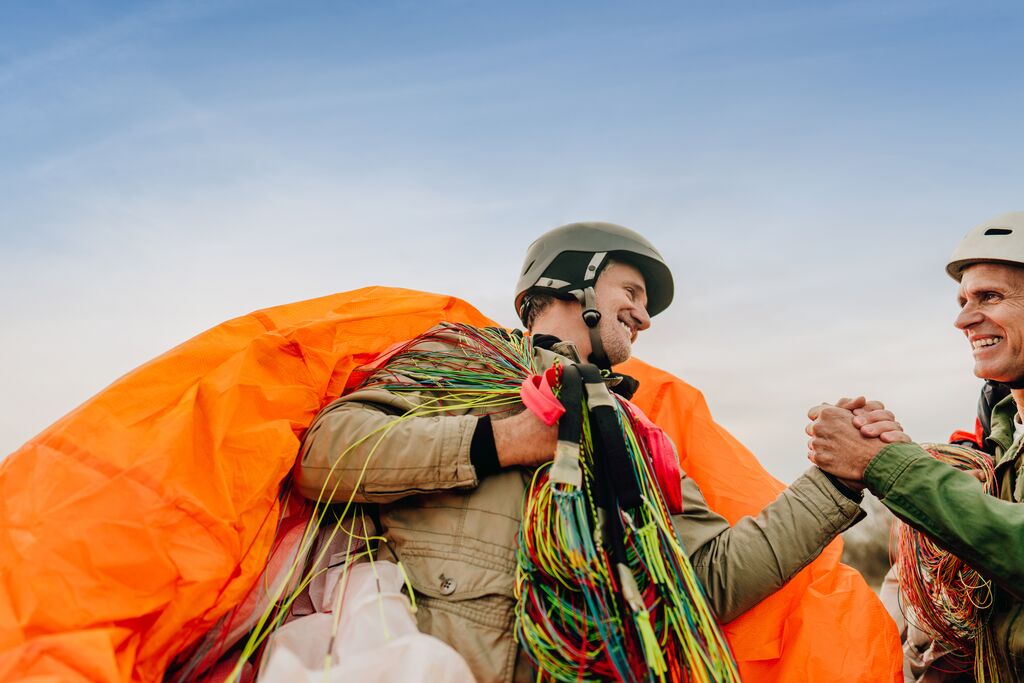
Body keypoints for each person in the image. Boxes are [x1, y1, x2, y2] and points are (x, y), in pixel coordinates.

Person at [296, 221, 865, 682]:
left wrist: (836, 483)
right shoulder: (460, 362)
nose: (644, 317)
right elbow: (325, 454)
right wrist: (503, 441)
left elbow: (703, 586)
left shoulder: (639, 439)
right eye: (633, 293)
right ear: (576, 281)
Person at [807, 211, 1024, 681]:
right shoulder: (1003, 431)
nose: (963, 318)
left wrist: (886, 463)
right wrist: (906, 456)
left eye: (989, 296)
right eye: (963, 299)